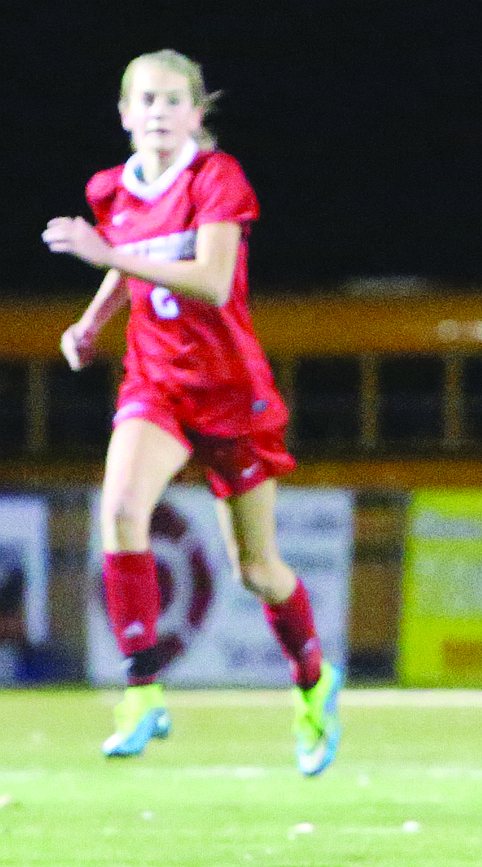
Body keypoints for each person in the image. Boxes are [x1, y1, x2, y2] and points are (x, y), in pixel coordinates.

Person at [43, 50, 342, 772]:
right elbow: (128, 264)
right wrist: (92, 323)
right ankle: (142, 690)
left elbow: (208, 278)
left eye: (175, 101)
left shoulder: (217, 180)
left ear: (197, 115)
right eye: (145, 100)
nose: (159, 112)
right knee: (119, 509)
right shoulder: (110, 190)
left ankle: (313, 681)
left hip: (230, 392)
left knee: (257, 569)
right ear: (123, 114)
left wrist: (104, 253)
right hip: (157, 384)